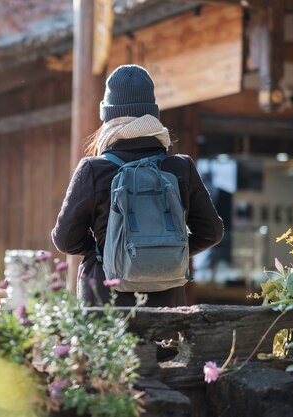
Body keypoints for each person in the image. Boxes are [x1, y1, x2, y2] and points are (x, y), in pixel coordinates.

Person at [51, 65, 224, 307]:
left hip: (107, 305)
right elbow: (211, 233)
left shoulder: (93, 169)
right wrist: (164, 254)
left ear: (108, 117)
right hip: (168, 307)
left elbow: (65, 239)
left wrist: (109, 252)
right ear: (152, 115)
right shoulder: (181, 168)